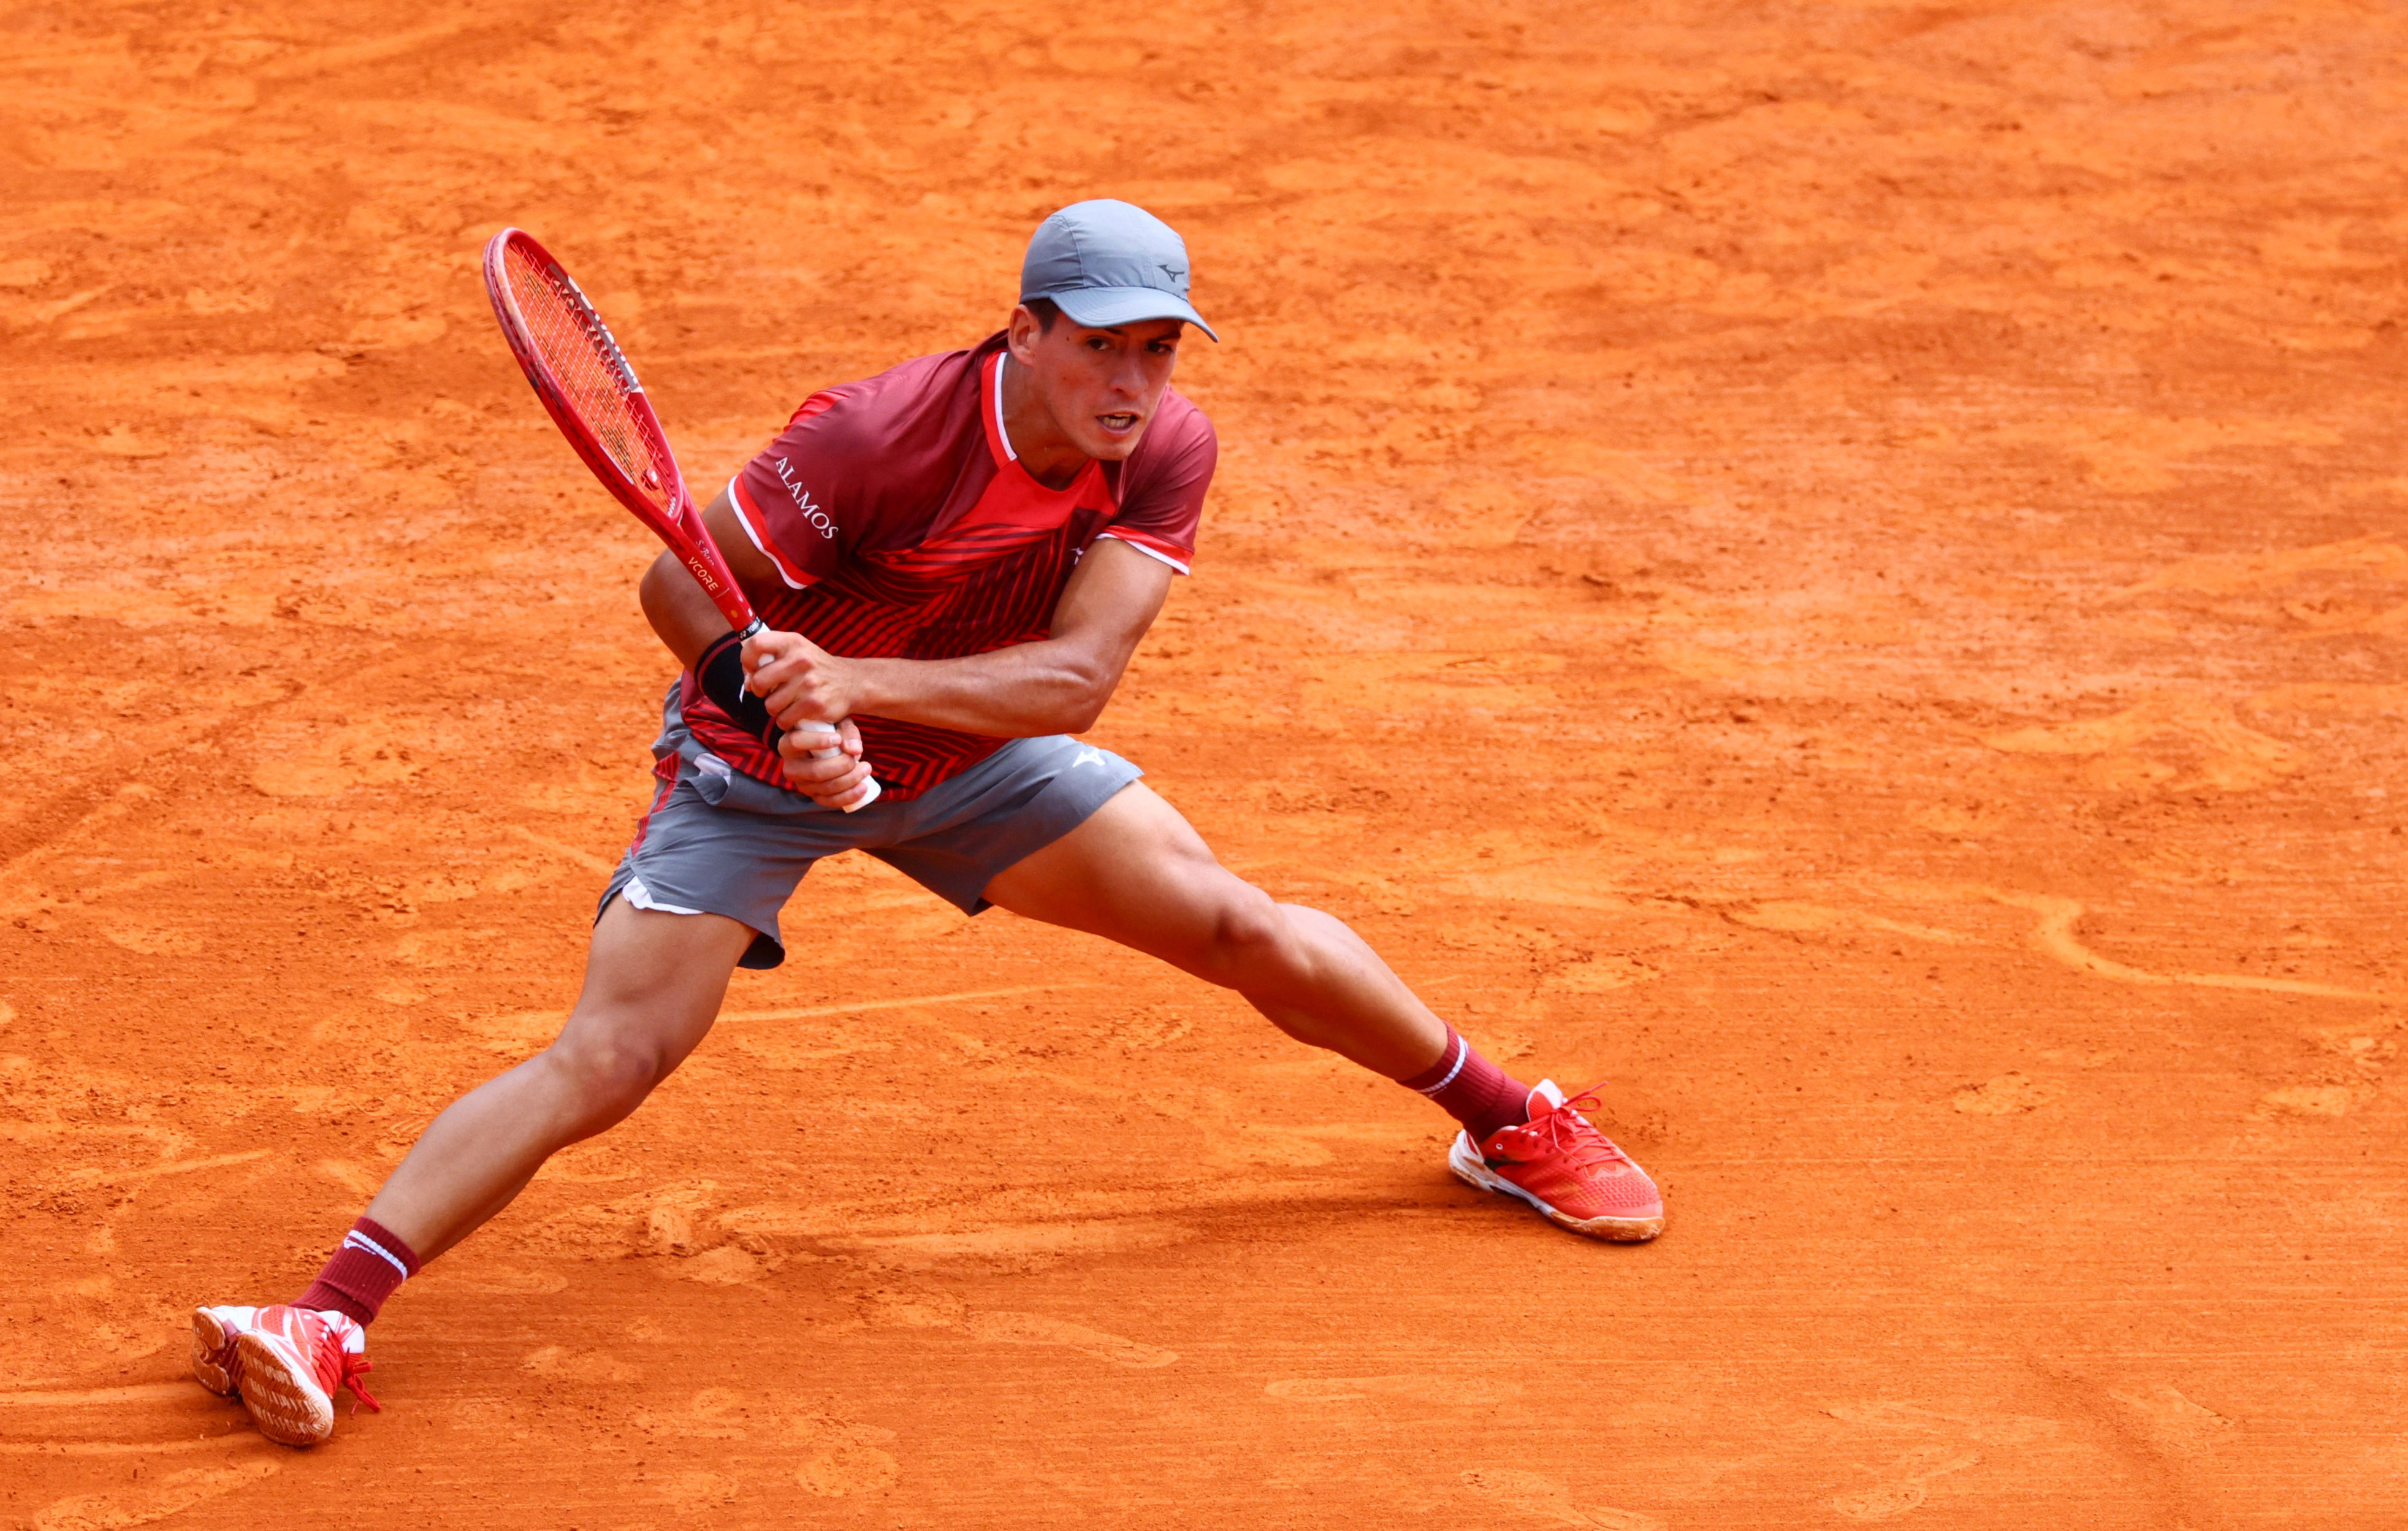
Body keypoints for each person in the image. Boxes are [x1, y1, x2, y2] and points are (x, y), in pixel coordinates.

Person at [192, 200, 1664, 1447]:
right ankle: (325, 1319)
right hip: (753, 777)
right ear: (1024, 331)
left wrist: (863, 686)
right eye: (1102, 344)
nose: (1132, 381)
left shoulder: (1161, 451)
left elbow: (1078, 678)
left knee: (1232, 920)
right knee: (615, 1055)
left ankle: (1502, 1122)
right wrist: (770, 701)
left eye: (1156, 348)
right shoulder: (877, 440)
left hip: (968, 759)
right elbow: (677, 588)